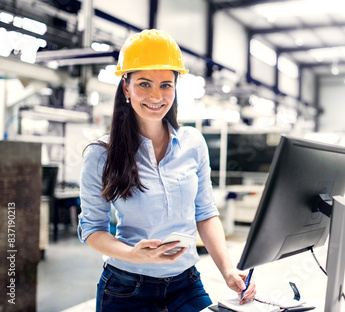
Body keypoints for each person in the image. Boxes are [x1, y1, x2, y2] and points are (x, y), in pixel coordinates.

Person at [78, 29, 255, 312]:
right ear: (126, 88)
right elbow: (92, 229)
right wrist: (133, 255)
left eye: (166, 85)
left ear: (175, 87)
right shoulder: (100, 155)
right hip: (126, 288)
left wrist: (228, 271)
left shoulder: (193, 143)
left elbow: (206, 213)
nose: (156, 96)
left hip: (186, 284)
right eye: (144, 84)